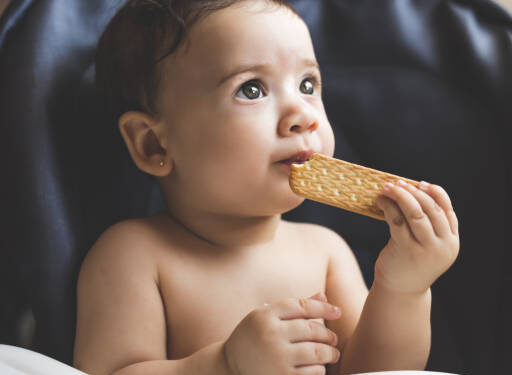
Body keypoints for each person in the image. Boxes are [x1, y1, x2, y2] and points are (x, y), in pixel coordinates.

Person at [72, 1, 460, 374]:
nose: (302, 115)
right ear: (153, 144)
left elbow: (376, 373)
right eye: (252, 89)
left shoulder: (325, 252)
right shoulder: (134, 257)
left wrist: (404, 288)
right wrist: (222, 367)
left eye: (307, 84)